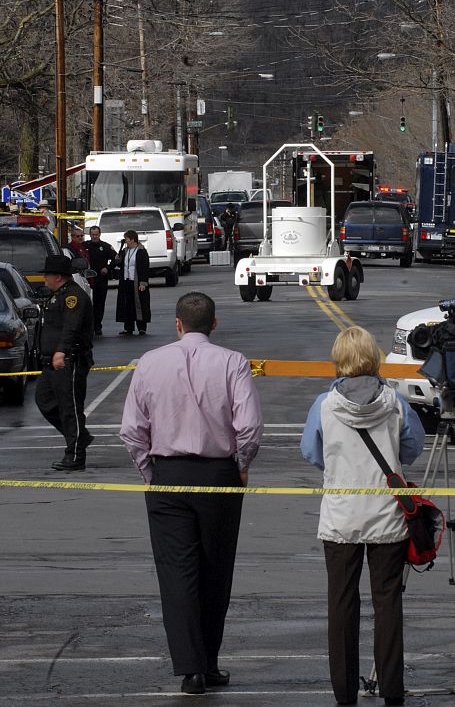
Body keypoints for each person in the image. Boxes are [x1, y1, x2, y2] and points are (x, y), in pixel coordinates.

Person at [120, 292, 263, 695]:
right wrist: (241, 465)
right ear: (214, 324)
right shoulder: (233, 362)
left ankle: (191, 669)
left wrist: (150, 472)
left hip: (168, 474)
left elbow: (132, 429)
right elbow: (249, 427)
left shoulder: (150, 362)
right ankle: (209, 661)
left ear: (177, 324)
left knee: (177, 574)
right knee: (215, 571)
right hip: (218, 475)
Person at [300, 326, 425, 707]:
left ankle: (344, 691)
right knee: (387, 602)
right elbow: (412, 448)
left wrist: (338, 465)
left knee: (341, 603)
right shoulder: (395, 402)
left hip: (341, 516)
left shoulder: (324, 404)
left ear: (339, 360)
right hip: (386, 514)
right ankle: (391, 689)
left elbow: (311, 451)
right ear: (373, 358)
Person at [35, 255, 94, 472]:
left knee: (70, 407)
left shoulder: (73, 296)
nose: (44, 278)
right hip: (52, 362)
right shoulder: (56, 295)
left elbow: (71, 326)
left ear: (58, 276)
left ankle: (75, 456)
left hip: (69, 360)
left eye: (47, 274)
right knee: (44, 400)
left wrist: (61, 351)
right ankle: (80, 436)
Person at [115, 229, 151, 336]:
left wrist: (143, 283)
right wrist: (118, 260)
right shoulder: (125, 251)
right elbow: (121, 265)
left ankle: (141, 327)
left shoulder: (141, 251)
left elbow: (145, 268)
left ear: (132, 239)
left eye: (126, 239)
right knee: (127, 304)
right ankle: (128, 328)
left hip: (137, 282)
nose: (125, 241)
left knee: (139, 304)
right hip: (126, 281)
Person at [85, 225, 116, 336]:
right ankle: (89, 326)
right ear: (90, 235)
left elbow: (117, 259)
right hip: (87, 280)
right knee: (88, 304)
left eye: (96, 235)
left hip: (101, 280)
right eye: (92, 235)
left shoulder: (105, 247)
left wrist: (107, 268)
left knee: (99, 303)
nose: (94, 237)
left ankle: (97, 326)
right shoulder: (85, 246)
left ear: (100, 234)